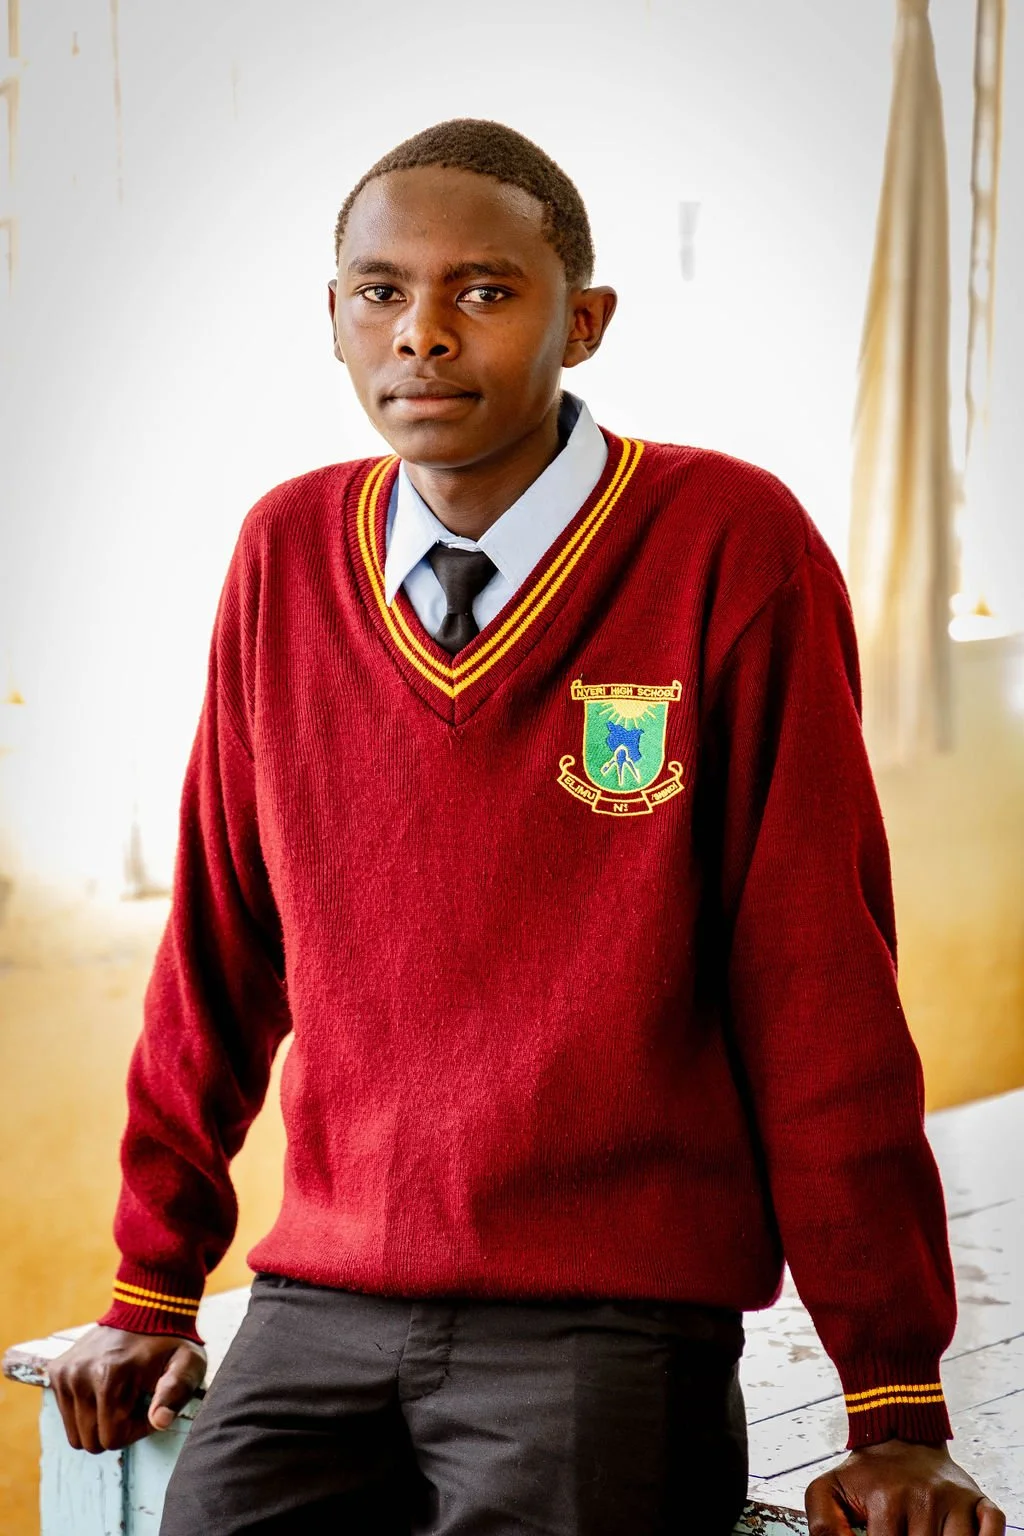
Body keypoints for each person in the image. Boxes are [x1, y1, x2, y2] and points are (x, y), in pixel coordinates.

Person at [47, 117, 1006, 1536]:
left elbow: (819, 987)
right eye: (381, 291)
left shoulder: (729, 545)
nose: (423, 334)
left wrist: (894, 1402)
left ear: (585, 320)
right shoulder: (284, 551)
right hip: (323, 1302)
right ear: (334, 319)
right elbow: (219, 949)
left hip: (604, 1322)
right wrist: (153, 1283)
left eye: (483, 291)